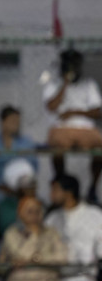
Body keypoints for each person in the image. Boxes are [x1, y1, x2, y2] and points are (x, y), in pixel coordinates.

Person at [42, 48, 102, 198]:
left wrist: (74, 112)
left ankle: (93, 187)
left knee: (100, 146)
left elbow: (97, 111)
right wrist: (65, 84)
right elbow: (51, 106)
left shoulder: (88, 85)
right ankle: (61, 182)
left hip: (85, 128)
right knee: (57, 146)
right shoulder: (53, 84)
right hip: (62, 128)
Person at [45, 174, 102, 281]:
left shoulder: (95, 215)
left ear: (68, 192)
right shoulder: (52, 218)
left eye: (55, 190)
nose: (51, 195)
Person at [0, 195, 67, 281]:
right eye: (30, 211)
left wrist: (38, 258)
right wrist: (34, 233)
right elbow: (22, 254)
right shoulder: (12, 233)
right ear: (20, 213)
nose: (34, 214)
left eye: (37, 211)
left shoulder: (51, 232)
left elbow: (62, 257)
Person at [0, 106, 36, 194]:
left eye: (18, 122)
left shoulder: (27, 143)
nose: (16, 124)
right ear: (3, 122)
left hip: (20, 191)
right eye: (13, 121)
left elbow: (33, 167)